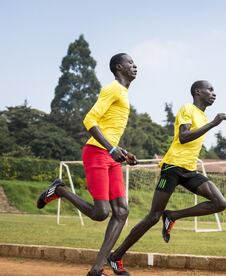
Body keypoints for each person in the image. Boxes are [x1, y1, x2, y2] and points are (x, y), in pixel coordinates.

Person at [107, 80, 226, 275]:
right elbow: (184, 137)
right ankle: (116, 256)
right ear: (198, 92)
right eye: (210, 90)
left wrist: (210, 122)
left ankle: (173, 215)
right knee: (153, 217)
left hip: (189, 170)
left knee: (220, 203)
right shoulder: (187, 108)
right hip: (172, 167)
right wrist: (213, 124)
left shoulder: (203, 115)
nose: (214, 93)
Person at [36, 53, 139, 276]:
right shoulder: (113, 88)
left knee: (121, 211)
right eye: (130, 62)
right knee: (101, 212)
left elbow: (109, 129)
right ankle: (60, 190)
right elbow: (89, 120)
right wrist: (111, 149)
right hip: (96, 153)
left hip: (110, 156)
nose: (135, 65)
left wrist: (122, 152)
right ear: (119, 67)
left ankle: (96, 269)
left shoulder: (123, 92)